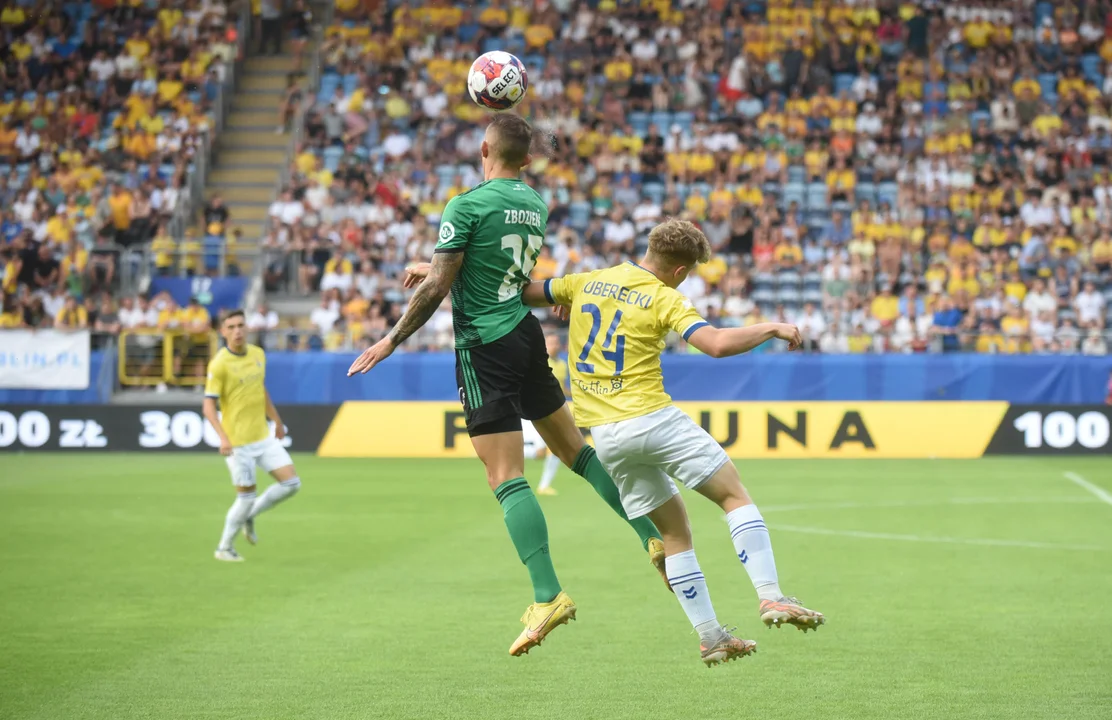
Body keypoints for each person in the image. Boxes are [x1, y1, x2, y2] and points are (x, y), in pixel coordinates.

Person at [347, 113, 666, 657]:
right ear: (527, 158)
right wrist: (433, 265)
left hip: (484, 348)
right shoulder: (534, 204)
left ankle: (548, 595)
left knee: (505, 475)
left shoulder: (465, 204)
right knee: (576, 453)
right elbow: (497, 268)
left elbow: (441, 290)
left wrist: (389, 339)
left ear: (483, 147)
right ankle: (651, 535)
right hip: (524, 334)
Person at [522, 218, 825, 666]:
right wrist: (771, 328)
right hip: (652, 417)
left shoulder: (588, 281)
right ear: (681, 271)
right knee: (733, 495)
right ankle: (771, 596)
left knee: (674, 531)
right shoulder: (667, 297)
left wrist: (439, 269)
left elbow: (525, 291)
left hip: (606, 437)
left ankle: (711, 637)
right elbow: (716, 343)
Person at [203, 310, 302, 562]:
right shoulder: (219, 364)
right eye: (231, 326)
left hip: (263, 436)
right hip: (238, 444)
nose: (237, 330)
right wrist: (224, 438)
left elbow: (261, 390)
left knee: (291, 484)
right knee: (244, 497)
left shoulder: (258, 354)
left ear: (247, 328)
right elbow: (208, 407)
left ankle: (249, 515)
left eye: (241, 325)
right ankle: (224, 547)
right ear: (223, 332)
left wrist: (277, 421)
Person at [536, 333, 569, 496]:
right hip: (537, 410)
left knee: (556, 449)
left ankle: (544, 485)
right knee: (542, 451)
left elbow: (562, 388)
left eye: (556, 342)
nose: (554, 346)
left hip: (555, 411)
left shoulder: (562, 364)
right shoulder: (539, 362)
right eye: (550, 342)